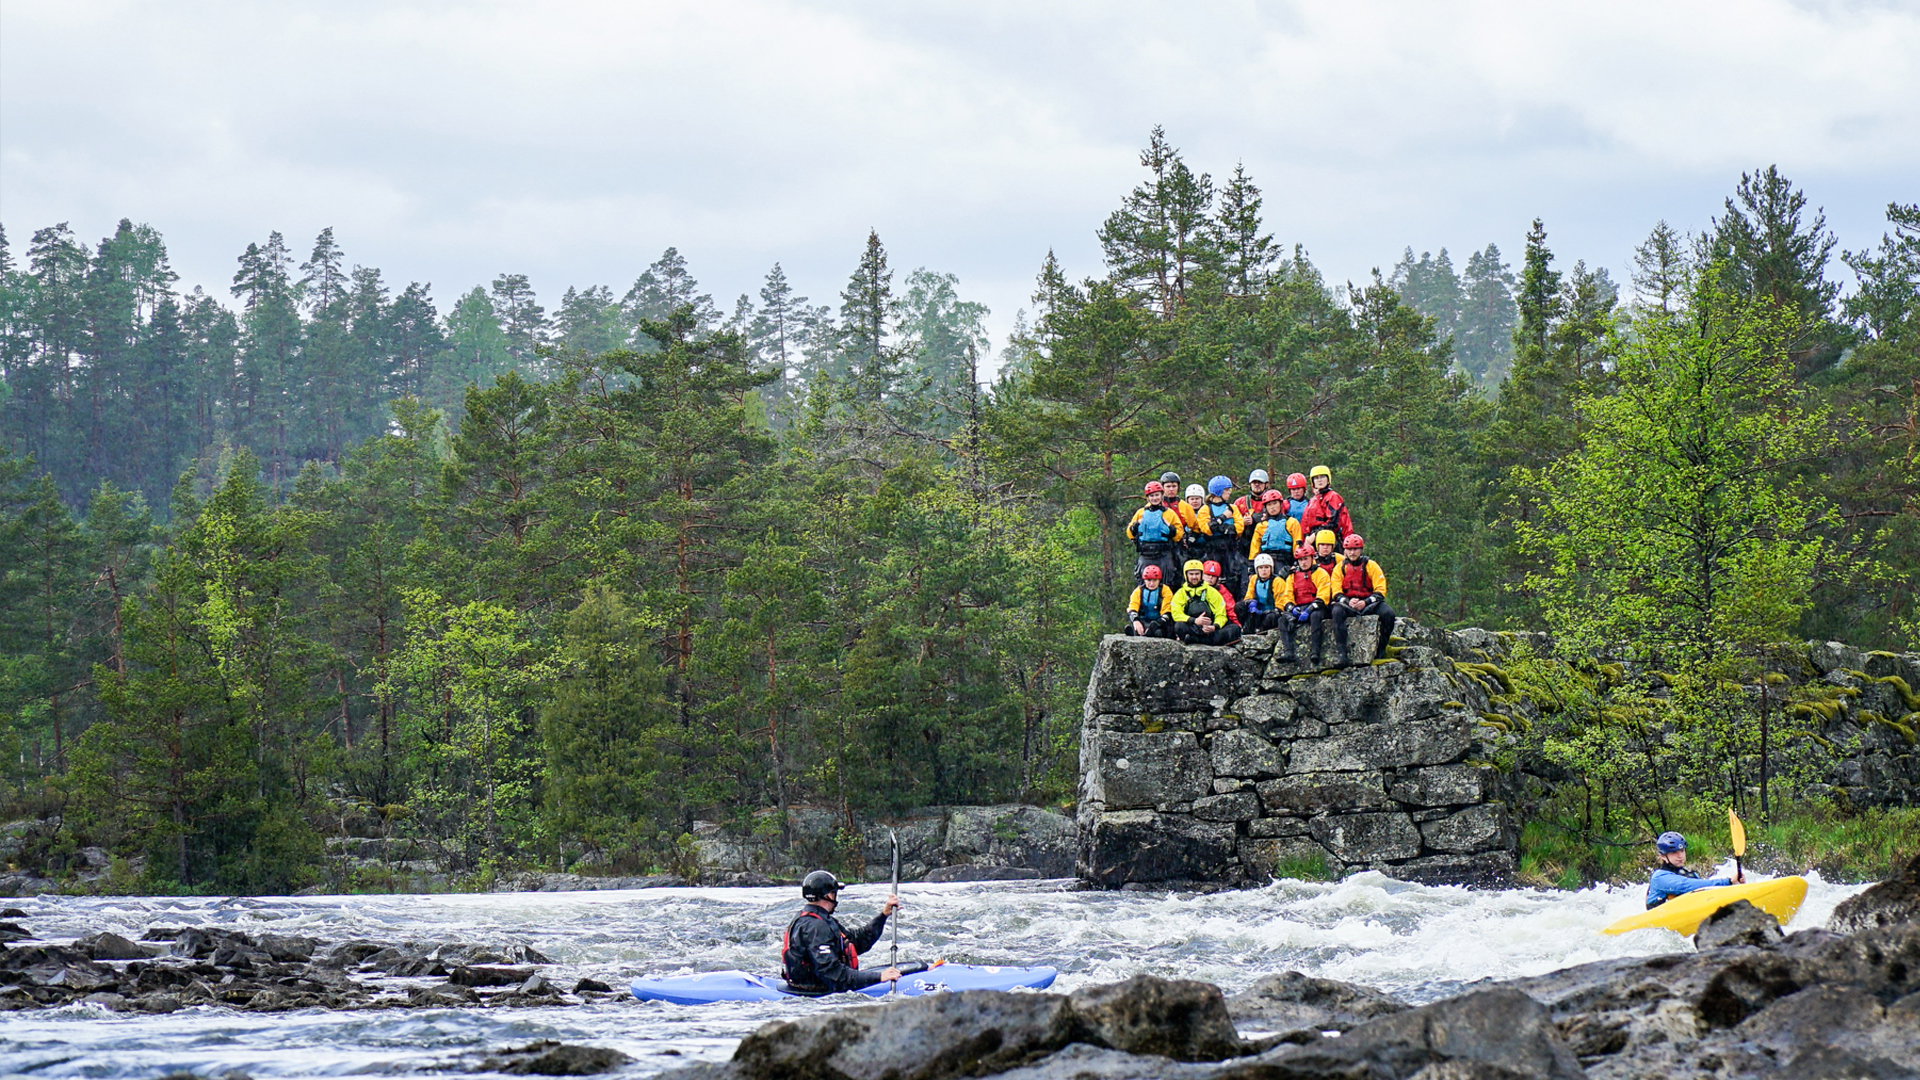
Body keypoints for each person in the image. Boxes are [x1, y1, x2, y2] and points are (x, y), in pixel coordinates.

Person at [781, 870, 901, 994]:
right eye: (834, 892)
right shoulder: (816, 927)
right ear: (828, 895)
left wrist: (883, 915)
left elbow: (857, 942)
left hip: (814, 985)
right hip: (815, 993)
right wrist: (879, 977)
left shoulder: (817, 919)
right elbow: (833, 974)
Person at [1328, 533, 1394, 666]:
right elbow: (1336, 591)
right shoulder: (1339, 568)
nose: (1352, 552)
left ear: (1361, 550)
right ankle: (1342, 653)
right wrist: (1347, 601)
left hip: (1369, 603)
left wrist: (1366, 602)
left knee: (1388, 614)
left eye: (1355, 549)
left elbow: (1380, 590)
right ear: (1345, 550)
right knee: (1336, 612)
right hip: (1348, 604)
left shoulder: (1371, 565)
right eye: (1349, 549)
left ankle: (1381, 649)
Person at [1645, 832, 1744, 909]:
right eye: (1674, 852)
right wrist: (1728, 881)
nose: (1680, 856)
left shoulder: (1690, 875)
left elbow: (1705, 891)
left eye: (1682, 851)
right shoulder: (1659, 877)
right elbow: (1686, 886)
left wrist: (1735, 884)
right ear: (1663, 856)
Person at [1126, 481, 1184, 585]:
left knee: (1167, 583)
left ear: (1162, 495)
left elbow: (1179, 534)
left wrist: (1171, 529)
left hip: (1163, 554)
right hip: (1145, 554)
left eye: (1157, 495)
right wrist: (1135, 526)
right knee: (1142, 584)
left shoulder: (1169, 513)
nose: (1154, 498)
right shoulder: (1141, 513)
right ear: (1148, 498)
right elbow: (1130, 532)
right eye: (1151, 496)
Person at [1279, 544, 1329, 664]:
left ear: (1312, 558)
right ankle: (1288, 652)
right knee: (1282, 620)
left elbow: (1324, 595)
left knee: (1315, 616)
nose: (1304, 562)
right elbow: (1287, 596)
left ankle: (1315, 652)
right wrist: (1292, 609)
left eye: (1306, 558)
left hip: (1316, 607)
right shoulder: (1292, 576)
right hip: (1299, 607)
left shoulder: (1320, 573)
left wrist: (1310, 609)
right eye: (1301, 559)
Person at [1171, 560, 1240, 645]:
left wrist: (1214, 627)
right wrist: (1194, 621)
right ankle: (1204, 640)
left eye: (1197, 574)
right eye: (1191, 574)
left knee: (1235, 629)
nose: (1194, 577)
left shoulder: (1212, 592)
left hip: (1210, 630)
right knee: (1179, 626)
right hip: (1193, 627)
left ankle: (1196, 639)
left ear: (1201, 575)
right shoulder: (1180, 593)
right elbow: (1176, 613)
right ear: (1186, 575)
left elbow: (1221, 614)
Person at [1203, 476, 1247, 583]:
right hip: (1213, 550)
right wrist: (1223, 518)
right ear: (1218, 492)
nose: (1229, 492)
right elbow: (1207, 529)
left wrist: (1218, 526)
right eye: (1227, 490)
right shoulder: (1206, 509)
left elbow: (1239, 528)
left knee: (1232, 578)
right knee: (1212, 577)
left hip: (1230, 549)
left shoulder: (1232, 508)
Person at [1247, 489, 1302, 565]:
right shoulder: (1261, 526)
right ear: (1265, 507)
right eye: (1269, 505)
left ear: (1280, 504)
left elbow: (1297, 544)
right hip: (1265, 561)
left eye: (1275, 503)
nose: (1272, 507)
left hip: (1286, 560)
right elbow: (1254, 548)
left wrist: (1297, 561)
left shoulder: (1292, 522)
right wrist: (1251, 564)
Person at [1299, 465, 1353, 542]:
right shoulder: (1313, 500)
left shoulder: (1333, 497)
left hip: (1330, 539)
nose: (1319, 480)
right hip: (1314, 540)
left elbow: (1333, 523)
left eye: (1322, 477)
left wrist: (1315, 535)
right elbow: (1305, 523)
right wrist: (1306, 538)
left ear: (1328, 479)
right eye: (1316, 478)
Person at [1125, 564, 1174, 638]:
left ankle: (1149, 631)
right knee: (1135, 627)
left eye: (1155, 580)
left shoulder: (1165, 590)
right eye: (1149, 580)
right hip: (1143, 620)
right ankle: (1137, 631)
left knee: (1158, 632)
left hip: (1160, 622)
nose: (1151, 583)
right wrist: (1135, 620)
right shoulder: (1138, 591)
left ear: (1159, 580)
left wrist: (1158, 623)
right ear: (1144, 580)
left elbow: (1166, 611)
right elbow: (1133, 607)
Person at [1240, 552, 1284, 633]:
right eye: (1261, 568)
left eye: (1266, 567)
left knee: (1271, 617)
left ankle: (1262, 630)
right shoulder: (1254, 579)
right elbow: (1248, 596)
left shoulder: (1278, 581)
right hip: (1257, 611)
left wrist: (1267, 612)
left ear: (1271, 568)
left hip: (1271, 612)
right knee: (1239, 607)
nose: (1264, 570)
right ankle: (1247, 628)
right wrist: (1251, 603)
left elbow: (1281, 605)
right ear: (1257, 569)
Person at [1202, 560, 1241, 630]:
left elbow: (1230, 608)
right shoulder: (1195, 589)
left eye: (1213, 576)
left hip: (1218, 621)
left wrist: (1237, 623)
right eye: (1208, 575)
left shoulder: (1222, 590)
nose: (1210, 578)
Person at [1179, 483, 1211, 565]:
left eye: (1197, 498)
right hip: (1188, 548)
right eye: (1192, 499)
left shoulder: (1208, 511)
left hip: (1205, 547)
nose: (1195, 501)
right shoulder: (1183, 513)